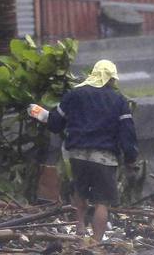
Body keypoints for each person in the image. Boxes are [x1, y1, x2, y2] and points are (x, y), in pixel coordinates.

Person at [43, 59, 138, 242]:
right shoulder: (118, 100)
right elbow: (127, 132)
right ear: (110, 79)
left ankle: (80, 230)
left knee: (80, 192)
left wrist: (42, 116)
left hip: (77, 155)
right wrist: (130, 158)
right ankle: (96, 241)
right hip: (104, 158)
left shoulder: (75, 94)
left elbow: (55, 122)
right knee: (102, 201)